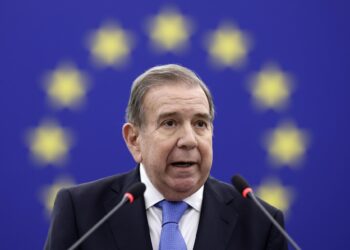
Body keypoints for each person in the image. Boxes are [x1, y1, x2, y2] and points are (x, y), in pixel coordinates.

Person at [45, 64, 288, 250]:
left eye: (200, 123)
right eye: (170, 123)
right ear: (134, 139)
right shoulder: (82, 212)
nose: (189, 140)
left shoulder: (261, 223)